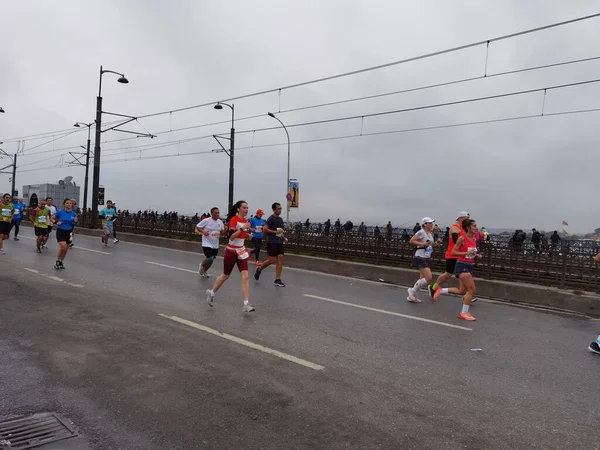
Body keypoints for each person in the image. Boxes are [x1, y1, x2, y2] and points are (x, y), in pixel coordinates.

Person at [205, 200, 255, 313]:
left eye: (247, 207)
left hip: (241, 251)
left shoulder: (245, 221)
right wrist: (243, 229)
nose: (246, 209)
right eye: (244, 207)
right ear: (238, 209)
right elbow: (232, 237)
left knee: (245, 276)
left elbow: (240, 235)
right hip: (231, 251)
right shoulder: (234, 220)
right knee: (225, 275)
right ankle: (211, 293)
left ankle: (246, 304)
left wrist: (247, 235)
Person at [436, 219, 481, 321]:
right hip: (462, 265)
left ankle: (440, 290)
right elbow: (453, 252)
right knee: (472, 289)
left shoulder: (473, 239)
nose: (476, 227)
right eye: (474, 226)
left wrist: (476, 255)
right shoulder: (462, 238)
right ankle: (463, 313)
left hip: (469, 264)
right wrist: (465, 254)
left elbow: (470, 252)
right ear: (468, 228)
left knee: (462, 291)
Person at [430, 211, 470, 299]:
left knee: (462, 274)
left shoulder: (463, 228)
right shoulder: (454, 227)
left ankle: (467, 295)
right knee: (448, 273)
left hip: (461, 256)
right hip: (453, 255)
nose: (468, 221)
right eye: (466, 219)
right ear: (460, 218)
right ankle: (434, 287)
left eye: (468, 219)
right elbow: (456, 240)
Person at [407, 217, 442, 303]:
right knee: (429, 277)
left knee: (422, 277)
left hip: (426, 256)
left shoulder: (430, 234)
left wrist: (437, 243)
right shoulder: (421, 232)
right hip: (420, 256)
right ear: (425, 224)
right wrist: (422, 243)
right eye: (429, 223)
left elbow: (430, 245)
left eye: (431, 223)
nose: (431, 225)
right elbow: (412, 241)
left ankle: (412, 296)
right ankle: (412, 291)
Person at [254, 202, 287, 287]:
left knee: (280, 257)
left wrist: (283, 238)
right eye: (278, 209)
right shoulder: (270, 219)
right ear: (274, 209)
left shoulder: (280, 219)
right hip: (272, 242)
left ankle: (277, 279)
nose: (280, 210)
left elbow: (280, 231)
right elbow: (265, 229)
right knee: (272, 260)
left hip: (279, 242)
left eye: (280, 208)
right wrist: (275, 232)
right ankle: (259, 269)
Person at [196, 207, 224, 278]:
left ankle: (205, 270)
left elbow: (222, 231)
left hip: (215, 243)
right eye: (215, 213)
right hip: (207, 242)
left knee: (211, 259)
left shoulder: (220, 222)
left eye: (218, 213)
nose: (217, 214)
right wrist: (203, 231)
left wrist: (224, 231)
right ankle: (202, 265)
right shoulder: (207, 220)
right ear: (212, 213)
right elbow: (198, 226)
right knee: (210, 257)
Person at [51, 199, 78, 269]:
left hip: (70, 232)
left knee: (66, 249)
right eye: (67, 203)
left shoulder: (74, 214)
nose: (69, 204)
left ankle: (61, 261)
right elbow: (51, 218)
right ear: (64, 204)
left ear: (72, 205)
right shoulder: (60, 212)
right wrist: (56, 222)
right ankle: (57, 261)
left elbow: (76, 223)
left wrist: (75, 221)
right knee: (63, 247)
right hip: (61, 231)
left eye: (70, 203)